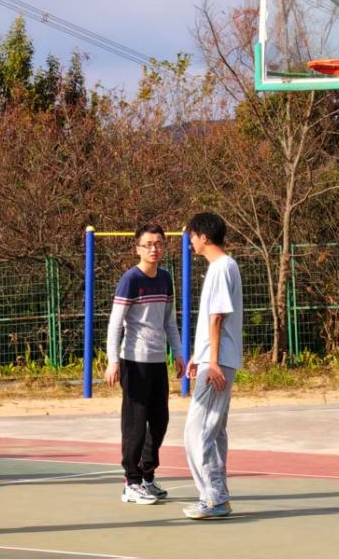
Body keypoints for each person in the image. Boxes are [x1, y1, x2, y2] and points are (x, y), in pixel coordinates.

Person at [103, 223, 185, 505]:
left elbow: (169, 321)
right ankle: (131, 482)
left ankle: (147, 477)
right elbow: (115, 324)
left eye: (158, 243)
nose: (154, 249)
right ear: (137, 248)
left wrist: (178, 353)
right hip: (134, 361)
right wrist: (113, 360)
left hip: (157, 361)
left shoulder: (165, 279)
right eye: (148, 244)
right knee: (135, 425)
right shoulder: (130, 279)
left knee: (160, 421)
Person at [181, 212, 242, 520]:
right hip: (216, 358)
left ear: (204, 237)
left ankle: (213, 498)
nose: (190, 242)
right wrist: (199, 354)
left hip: (218, 363)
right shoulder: (225, 266)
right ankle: (218, 497)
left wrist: (212, 361)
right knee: (214, 430)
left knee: (197, 431)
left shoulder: (220, 267)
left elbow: (217, 317)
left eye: (192, 236)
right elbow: (214, 320)